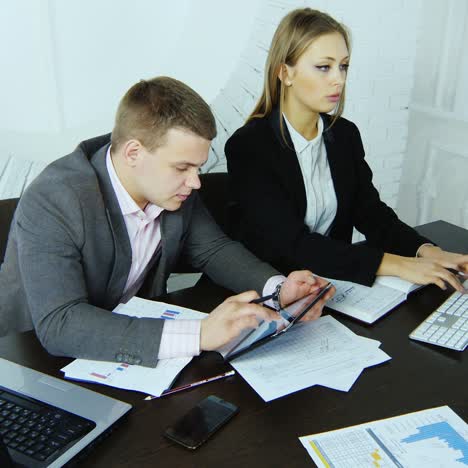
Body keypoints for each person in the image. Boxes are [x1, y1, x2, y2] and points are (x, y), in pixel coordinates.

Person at [0, 76, 333, 367]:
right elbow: (60, 324)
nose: (196, 182)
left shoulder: (169, 189)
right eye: (182, 168)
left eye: (198, 168)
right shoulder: (54, 200)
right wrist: (201, 334)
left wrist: (278, 289)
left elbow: (214, 249)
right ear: (133, 153)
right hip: (33, 363)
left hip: (133, 353)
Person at [225, 8, 468, 290]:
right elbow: (293, 245)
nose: (338, 79)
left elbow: (371, 213)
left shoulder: (344, 134)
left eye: (344, 66)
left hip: (327, 287)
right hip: (268, 290)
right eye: (324, 67)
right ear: (285, 73)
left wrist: (428, 252)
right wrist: (400, 265)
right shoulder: (250, 146)